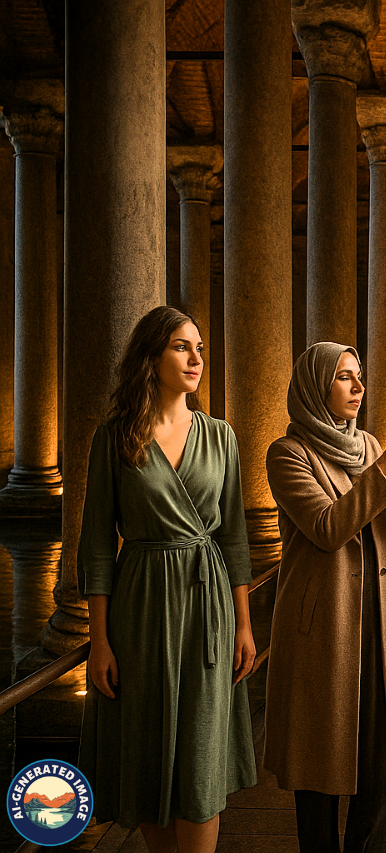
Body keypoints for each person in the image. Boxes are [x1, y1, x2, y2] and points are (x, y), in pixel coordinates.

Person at [79, 306, 256, 853]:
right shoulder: (114, 439)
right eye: (182, 346)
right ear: (150, 358)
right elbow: (96, 547)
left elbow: (233, 539)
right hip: (141, 609)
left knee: (201, 759)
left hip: (207, 611)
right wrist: (100, 641)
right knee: (150, 749)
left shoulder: (221, 436)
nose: (197, 358)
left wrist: (244, 626)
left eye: (200, 347)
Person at [263, 342, 386, 853]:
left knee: (383, 768)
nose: (358, 388)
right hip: (325, 628)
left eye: (359, 376)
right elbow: (327, 527)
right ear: (317, 388)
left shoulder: (371, 445)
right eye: (343, 378)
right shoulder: (287, 454)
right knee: (319, 772)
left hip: (380, 620)